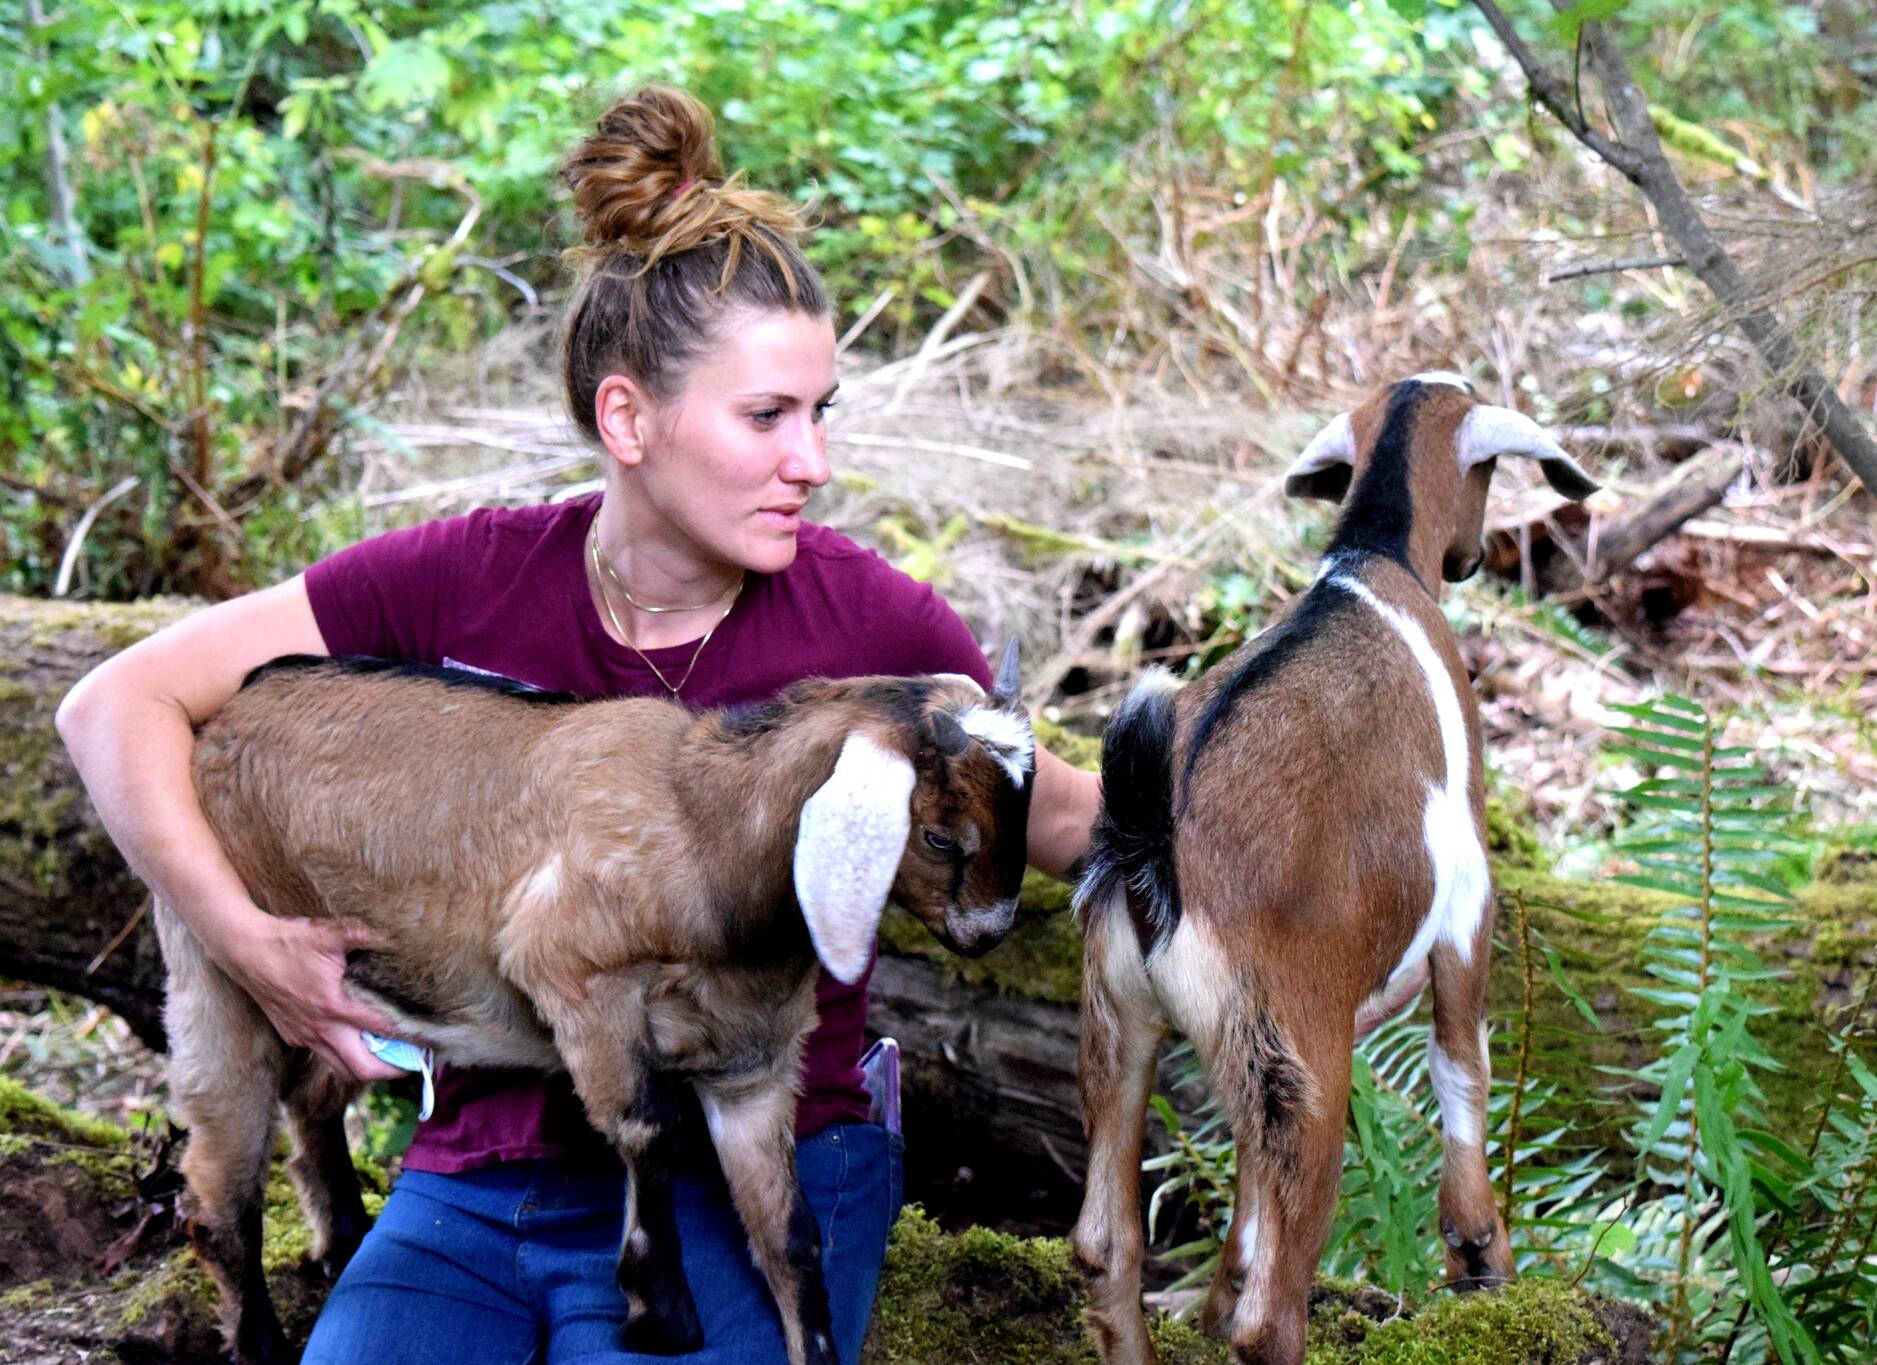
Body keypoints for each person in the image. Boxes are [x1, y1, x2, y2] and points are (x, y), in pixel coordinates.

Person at [55, 85, 1099, 1363]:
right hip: (478, 1162)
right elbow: (115, 704)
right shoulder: (462, 579)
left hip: (750, 1160)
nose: (812, 460)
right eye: (767, 417)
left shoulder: (876, 633)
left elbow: (1064, 823)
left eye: (820, 413)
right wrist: (246, 941)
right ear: (627, 418)